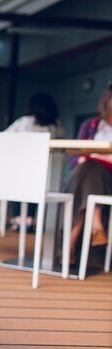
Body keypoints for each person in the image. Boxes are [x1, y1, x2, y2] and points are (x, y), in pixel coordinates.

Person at [64, 81, 112, 263]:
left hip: (108, 180)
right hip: (84, 176)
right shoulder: (90, 125)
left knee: (92, 169)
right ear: (107, 101)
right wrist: (84, 159)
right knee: (89, 167)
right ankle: (96, 223)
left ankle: (69, 244)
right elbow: (73, 158)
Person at [5, 92, 65, 231]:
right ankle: (30, 220)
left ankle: (18, 220)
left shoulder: (24, 122)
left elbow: (4, 138)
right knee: (35, 186)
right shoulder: (56, 126)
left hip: (21, 172)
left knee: (14, 184)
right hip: (48, 177)